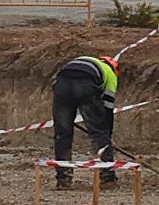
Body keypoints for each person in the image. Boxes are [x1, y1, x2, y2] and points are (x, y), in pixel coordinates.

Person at [50, 49, 120, 178]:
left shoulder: (85, 60)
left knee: (62, 133)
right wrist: (107, 135)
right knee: (99, 133)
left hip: (62, 85)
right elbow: (107, 110)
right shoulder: (110, 74)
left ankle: (63, 177)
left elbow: (58, 81)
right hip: (85, 85)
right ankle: (107, 176)